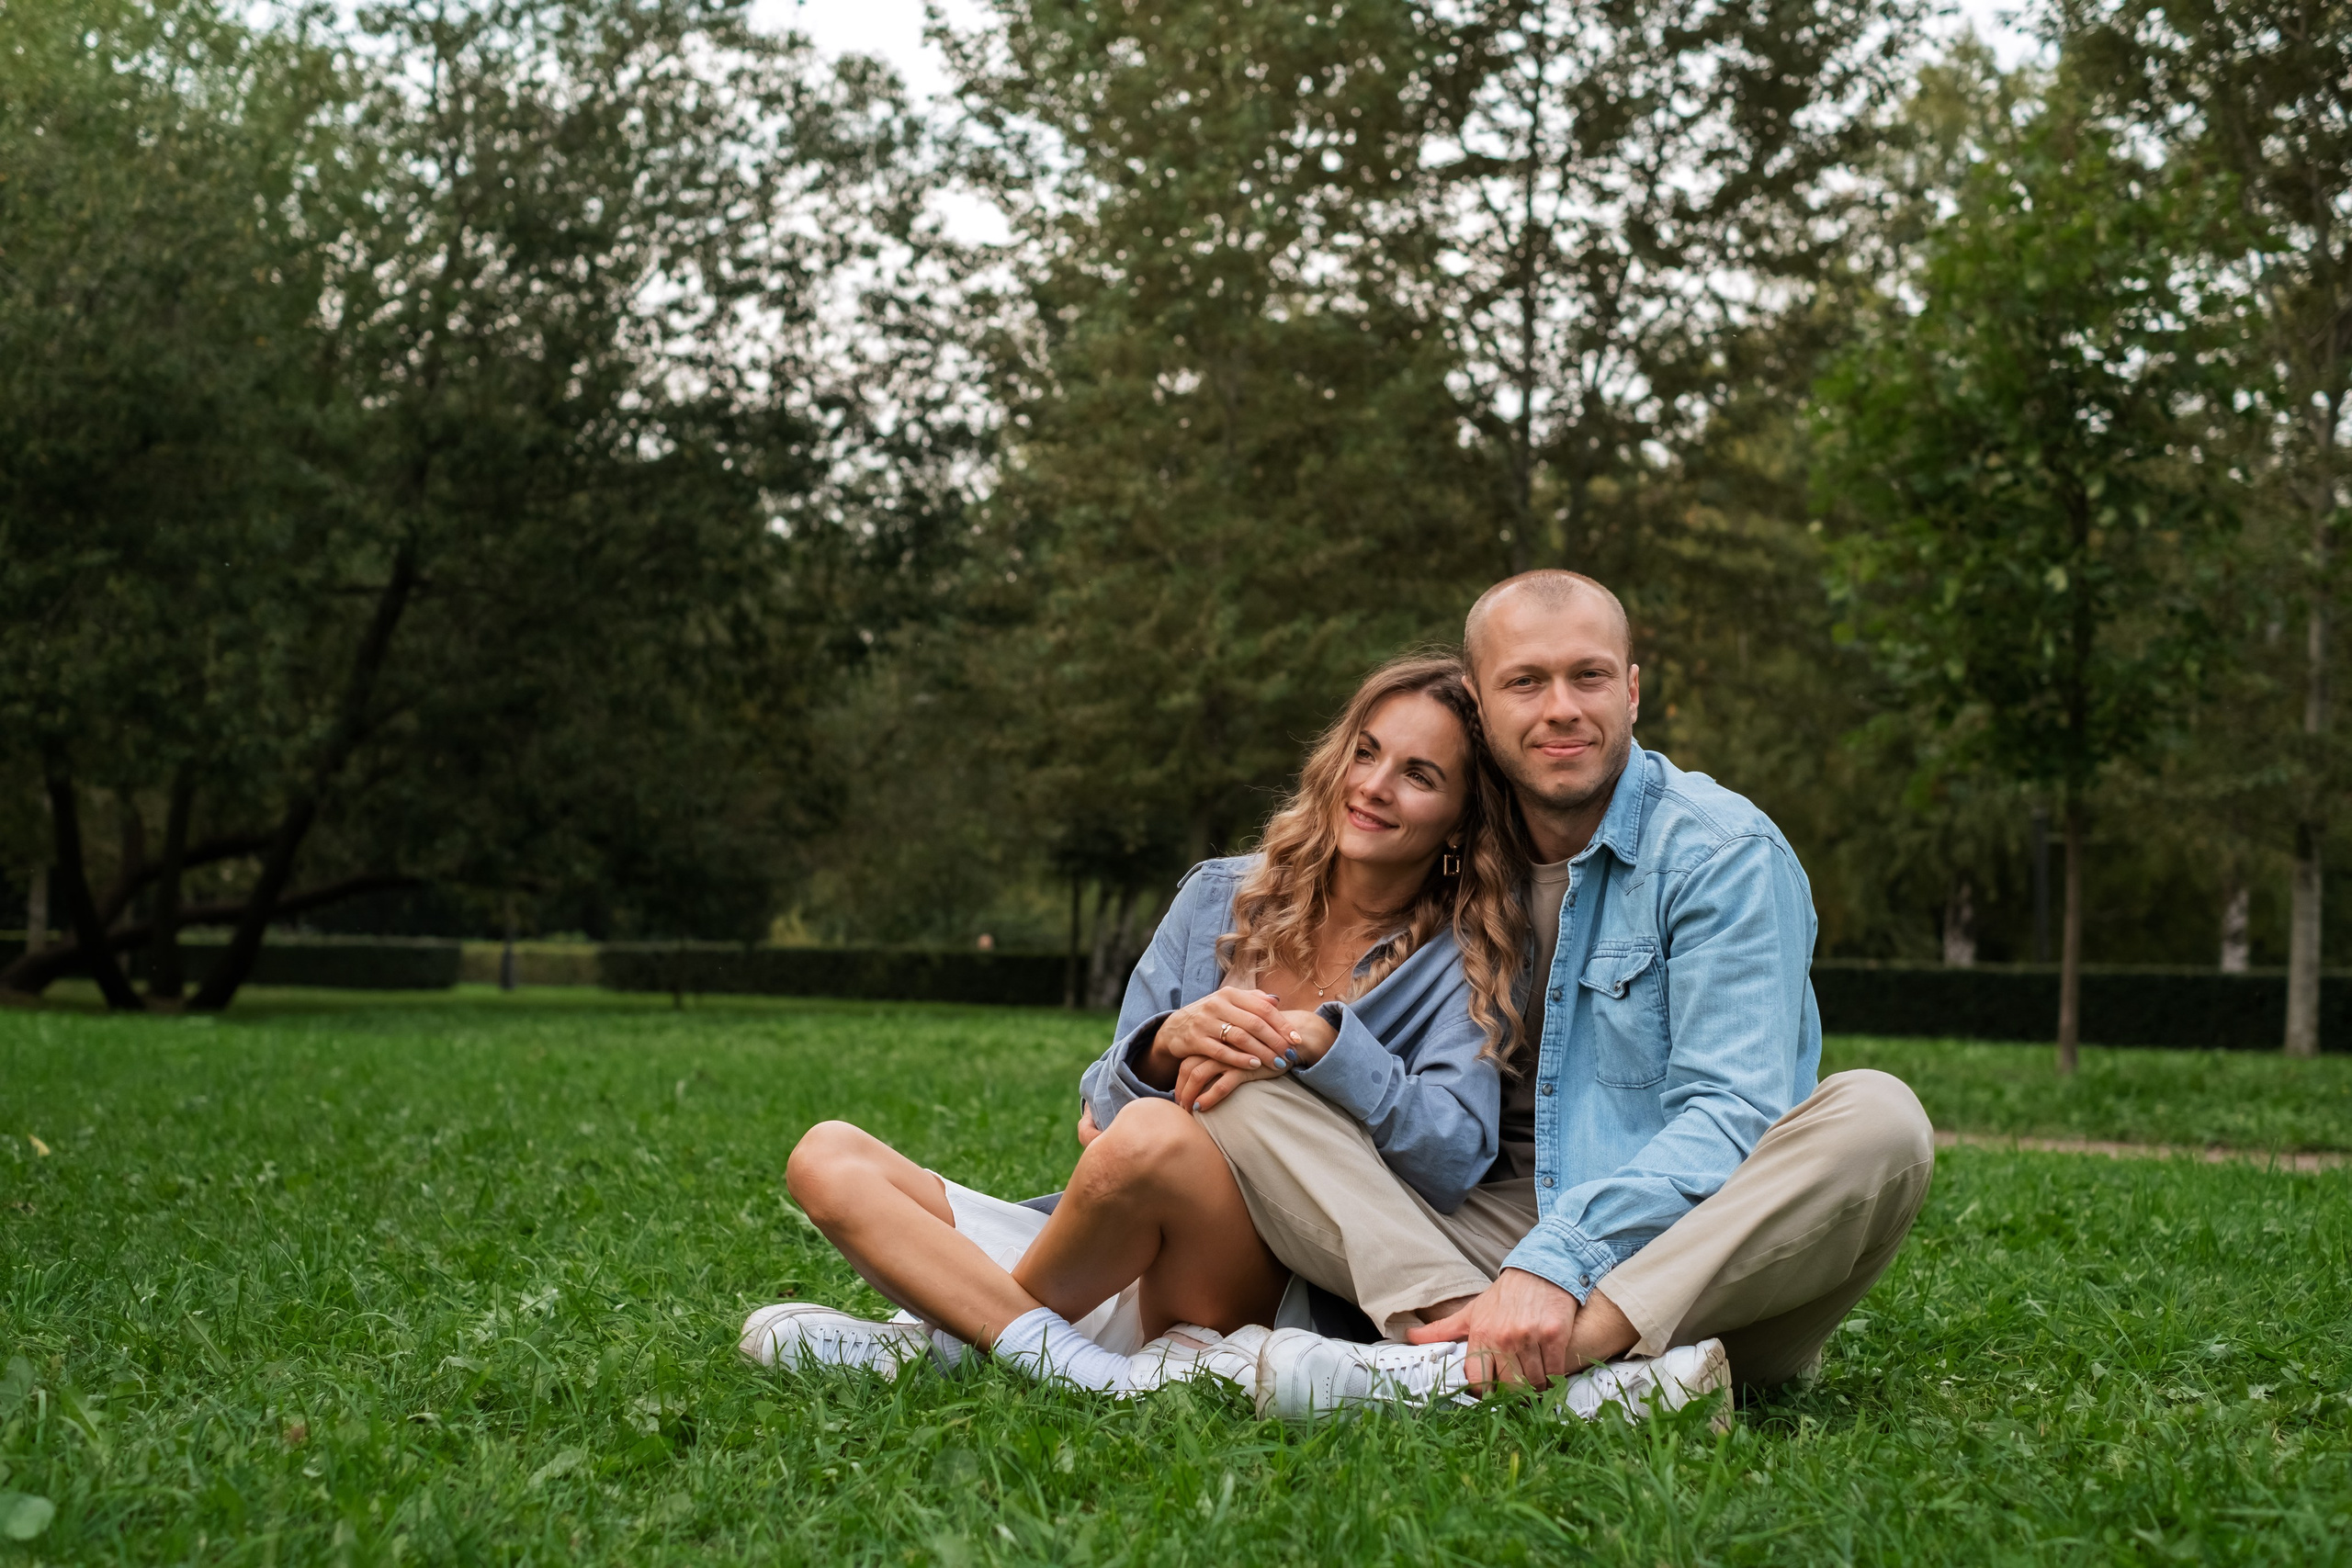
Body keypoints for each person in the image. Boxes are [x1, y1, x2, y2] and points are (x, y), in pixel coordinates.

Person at [1204, 570, 1936, 1415]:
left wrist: (1559, 1260)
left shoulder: (1721, 853)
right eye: (1526, 681)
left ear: (1630, 691)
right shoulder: (1455, 854)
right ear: (1479, 707)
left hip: (1692, 1264)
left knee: (1881, 1118)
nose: (1561, 708)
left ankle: (1495, 1366)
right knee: (1245, 1087)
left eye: (1588, 676)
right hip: (1476, 1244)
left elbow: (1735, 1114)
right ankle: (1493, 1352)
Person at [745, 653, 1535, 1398]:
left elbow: (1453, 1155)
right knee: (828, 1158)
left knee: (1158, 1139)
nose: (1375, 785)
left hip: (1240, 1267)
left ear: (1461, 822)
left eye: (1419, 776)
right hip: (1100, 1239)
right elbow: (1100, 1118)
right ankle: (1056, 1356)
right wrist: (1162, 1046)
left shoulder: (1466, 955)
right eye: (1365, 752)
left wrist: (1327, 1047)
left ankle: (951, 1335)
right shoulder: (1217, 896)